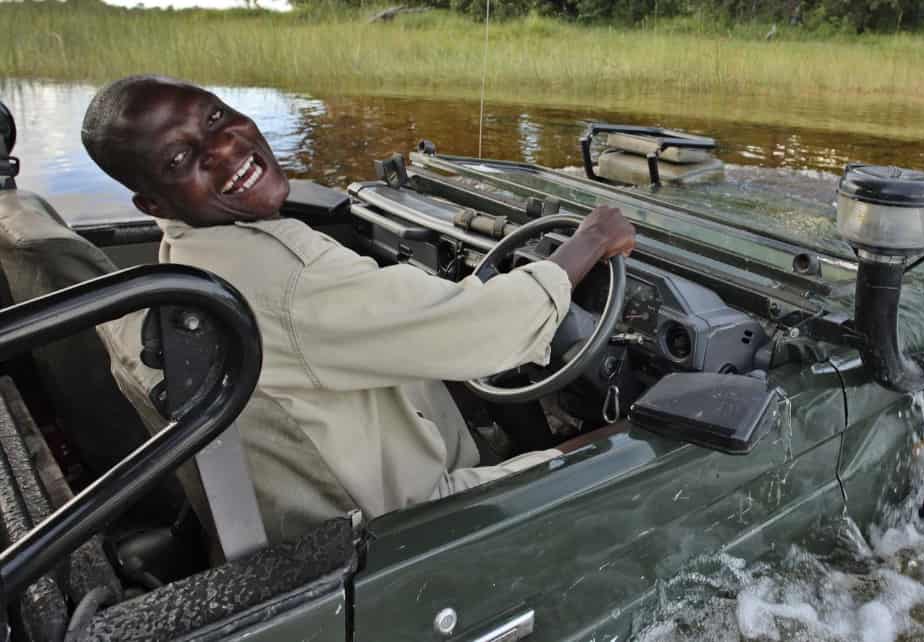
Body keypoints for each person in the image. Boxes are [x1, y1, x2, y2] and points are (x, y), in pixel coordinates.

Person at [81, 75, 636, 543]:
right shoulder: (287, 278)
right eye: (181, 158)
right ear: (152, 203)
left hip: (338, 507)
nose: (223, 149)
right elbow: (487, 332)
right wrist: (588, 242)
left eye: (214, 117)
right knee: (634, 443)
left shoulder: (189, 250)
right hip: (407, 525)